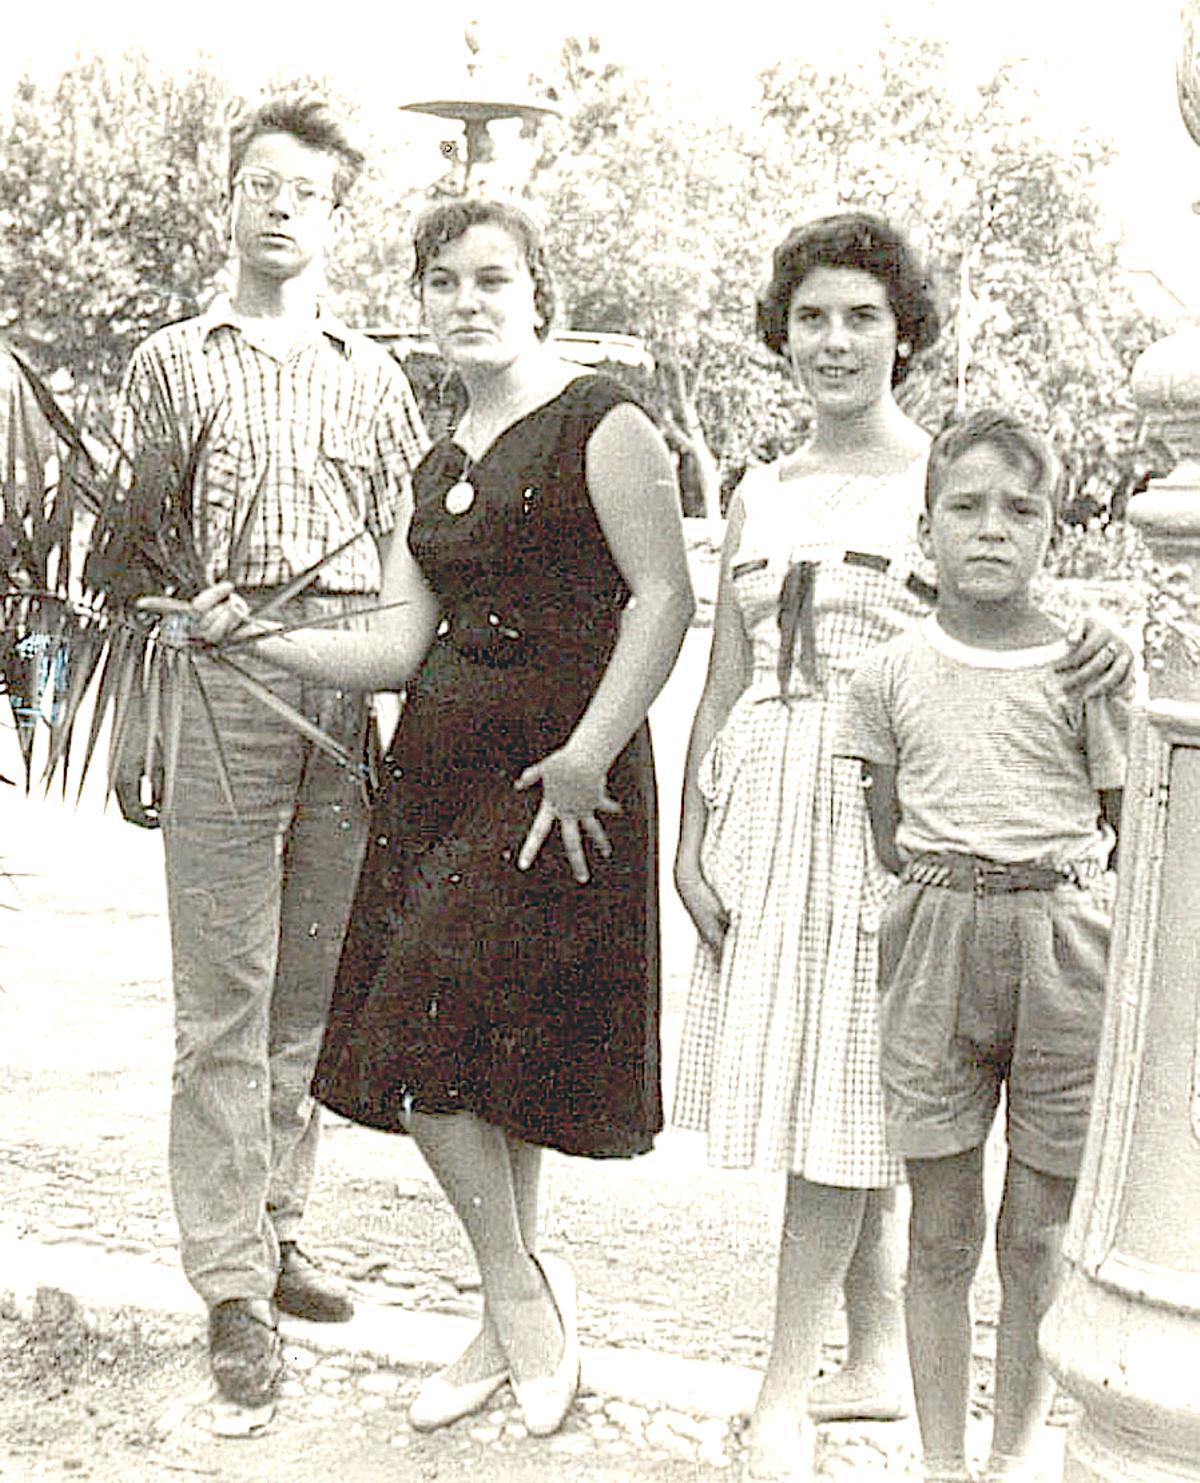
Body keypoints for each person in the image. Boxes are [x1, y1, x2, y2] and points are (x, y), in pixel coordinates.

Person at [190, 197, 695, 1438]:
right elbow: (401, 642)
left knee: (430, 1061)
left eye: (492, 280)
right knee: (482, 1057)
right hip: (438, 782)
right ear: (421, 303)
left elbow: (666, 598)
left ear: (539, 292)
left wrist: (587, 755)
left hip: (553, 788)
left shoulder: (602, 420)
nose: (467, 303)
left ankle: (521, 1298)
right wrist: (265, 640)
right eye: (443, 284)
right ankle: (510, 1306)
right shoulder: (442, 453)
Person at [671, 214, 1131, 1482]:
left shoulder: (941, 480)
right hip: (770, 801)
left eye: (862, 317)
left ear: (903, 333)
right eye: (812, 316)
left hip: (887, 825)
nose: (835, 341)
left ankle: (778, 1388)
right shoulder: (760, 486)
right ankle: (874, 1354)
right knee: (842, 1098)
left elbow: (1009, 626)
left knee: (849, 1104)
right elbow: (723, 667)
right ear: (783, 334)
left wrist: (1098, 648)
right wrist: (695, 831)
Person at [112, 92, 428, 1409]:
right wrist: (156, 699)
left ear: (338, 214)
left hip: (344, 689)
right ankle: (231, 1281)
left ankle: (280, 1222)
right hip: (226, 679)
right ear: (230, 200)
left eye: (308, 187)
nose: (283, 202)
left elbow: (413, 563)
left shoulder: (375, 376)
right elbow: (136, 556)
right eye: (262, 182)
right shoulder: (173, 363)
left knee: (311, 988)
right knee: (223, 999)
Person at [835, 409, 1127, 1483]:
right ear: (926, 528)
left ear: (1055, 530)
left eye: (1021, 508)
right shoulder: (889, 675)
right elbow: (888, 825)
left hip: (1065, 949)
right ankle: (943, 1460)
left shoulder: (1088, 673)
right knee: (944, 1228)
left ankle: (1015, 1455)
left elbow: (1130, 832)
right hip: (934, 945)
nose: (992, 529)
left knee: (1040, 1234)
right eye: (965, 506)